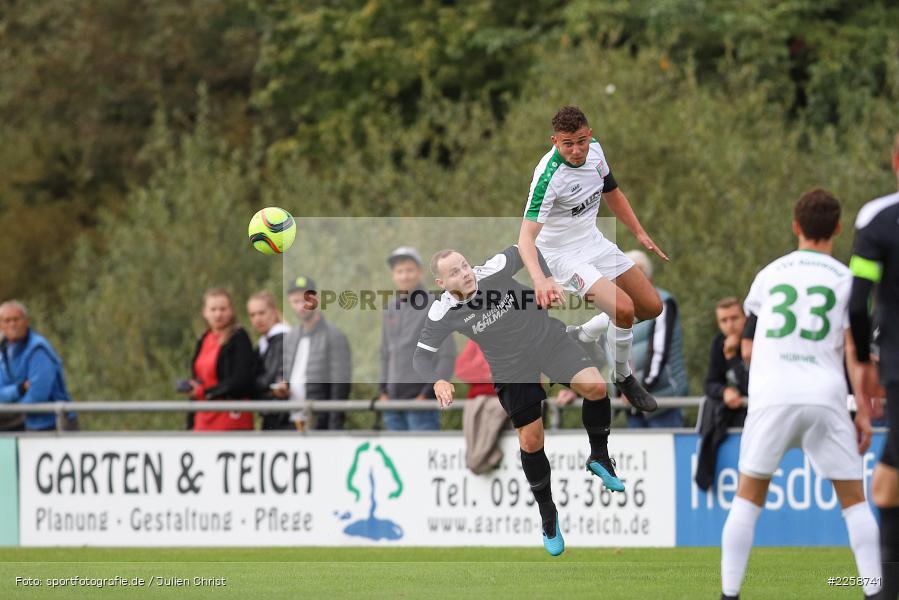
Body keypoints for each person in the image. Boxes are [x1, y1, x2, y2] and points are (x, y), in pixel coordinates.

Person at [720, 189, 881, 599]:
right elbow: (852, 350)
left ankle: (729, 594)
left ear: (796, 226)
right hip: (825, 394)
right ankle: (875, 591)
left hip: (773, 394)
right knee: (855, 504)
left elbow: (749, 345)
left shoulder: (769, 275)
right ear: (838, 229)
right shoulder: (845, 279)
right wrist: (861, 411)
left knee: (747, 499)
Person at [414, 245, 621, 557]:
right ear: (442, 283)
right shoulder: (442, 312)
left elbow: (529, 249)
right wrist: (438, 380)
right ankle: (548, 515)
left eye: (465, 265)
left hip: (546, 340)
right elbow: (420, 357)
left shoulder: (492, 269)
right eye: (454, 272)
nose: (465, 273)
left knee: (595, 387)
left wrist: (545, 280)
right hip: (511, 368)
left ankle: (600, 457)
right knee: (531, 440)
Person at [518, 105, 665, 414]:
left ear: (590, 135)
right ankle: (623, 376)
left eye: (581, 141)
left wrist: (639, 232)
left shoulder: (596, 152)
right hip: (562, 258)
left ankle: (584, 335)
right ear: (555, 141)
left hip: (594, 243)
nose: (576, 150)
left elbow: (612, 192)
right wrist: (540, 279)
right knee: (623, 309)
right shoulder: (548, 177)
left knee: (652, 307)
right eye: (568, 143)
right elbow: (525, 239)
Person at [849, 132, 899, 599]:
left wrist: (863, 362)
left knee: (886, 488)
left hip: (896, 371)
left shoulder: (879, 222)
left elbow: (857, 303)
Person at [379, 246, 455, 431]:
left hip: (422, 405)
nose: (404, 276)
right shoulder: (391, 307)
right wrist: (382, 392)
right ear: (393, 276)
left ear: (419, 272)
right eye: (399, 271)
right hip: (392, 404)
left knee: (421, 459)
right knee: (396, 459)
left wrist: (427, 394)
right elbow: (384, 353)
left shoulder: (436, 304)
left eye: (409, 270)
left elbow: (447, 355)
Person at [273, 276, 350, 431]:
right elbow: (285, 372)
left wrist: (334, 426)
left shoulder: (334, 336)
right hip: (291, 420)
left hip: (319, 420)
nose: (301, 305)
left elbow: (339, 386)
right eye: (296, 301)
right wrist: (282, 385)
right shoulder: (291, 336)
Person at [621, 250, 688, 428]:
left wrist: (637, 392)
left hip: (663, 404)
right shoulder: (617, 306)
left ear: (647, 278)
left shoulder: (662, 303)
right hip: (632, 404)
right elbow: (604, 353)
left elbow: (659, 354)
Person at [695, 297, 750, 490]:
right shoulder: (719, 341)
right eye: (723, 321)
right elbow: (710, 382)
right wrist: (724, 391)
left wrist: (732, 357)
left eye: (734, 318)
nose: (730, 325)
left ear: (745, 317)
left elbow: (752, 386)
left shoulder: (756, 340)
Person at [183, 288, 256, 431]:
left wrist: (207, 392)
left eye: (223, 309)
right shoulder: (204, 339)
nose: (218, 314)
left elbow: (242, 379)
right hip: (203, 415)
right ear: (205, 312)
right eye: (213, 309)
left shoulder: (239, 338)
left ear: (231, 311)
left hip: (230, 416)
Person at [0, 300, 74, 431]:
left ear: (26, 321)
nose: (12, 324)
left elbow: (38, 395)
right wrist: (20, 389)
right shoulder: (4, 351)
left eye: (16, 319)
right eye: (7, 320)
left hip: (54, 424)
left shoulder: (38, 349)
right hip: (26, 425)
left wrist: (11, 409)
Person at [247, 290, 292, 431]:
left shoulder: (283, 340)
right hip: (272, 416)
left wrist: (249, 386)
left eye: (262, 313)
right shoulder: (263, 345)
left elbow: (273, 377)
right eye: (252, 315)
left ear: (273, 312)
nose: (257, 319)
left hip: (286, 417)